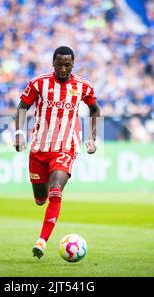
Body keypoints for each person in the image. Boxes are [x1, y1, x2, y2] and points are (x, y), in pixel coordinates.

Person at [14, 46, 101, 259]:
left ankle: (42, 241)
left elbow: (95, 109)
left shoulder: (83, 86)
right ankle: (43, 206)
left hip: (66, 146)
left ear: (73, 64)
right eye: (60, 64)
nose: (63, 69)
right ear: (53, 63)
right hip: (39, 148)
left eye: (67, 65)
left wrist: (92, 137)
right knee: (40, 198)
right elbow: (22, 107)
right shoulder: (39, 83)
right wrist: (18, 133)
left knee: (55, 190)